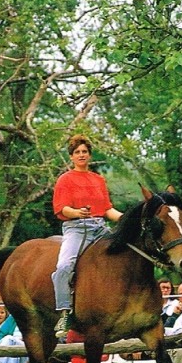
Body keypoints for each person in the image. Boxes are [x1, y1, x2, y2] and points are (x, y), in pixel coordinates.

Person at [51, 133, 123, 337]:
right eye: (77, 152)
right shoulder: (65, 179)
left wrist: (126, 219)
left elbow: (108, 210)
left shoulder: (98, 180)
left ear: (89, 155)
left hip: (99, 227)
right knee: (64, 266)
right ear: (71, 156)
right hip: (76, 228)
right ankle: (65, 313)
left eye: (84, 151)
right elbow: (61, 208)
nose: (81, 155)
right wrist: (77, 213)